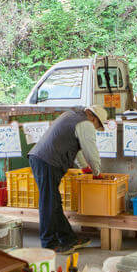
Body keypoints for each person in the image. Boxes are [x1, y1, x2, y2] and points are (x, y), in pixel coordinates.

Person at [27, 105, 107, 253]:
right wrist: (97, 172)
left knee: (54, 202)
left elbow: (74, 147)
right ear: (93, 117)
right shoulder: (85, 123)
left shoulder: (71, 115)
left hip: (41, 159)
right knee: (49, 203)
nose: (95, 128)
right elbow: (90, 149)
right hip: (48, 161)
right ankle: (49, 243)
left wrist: (84, 167)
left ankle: (68, 238)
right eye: (97, 125)